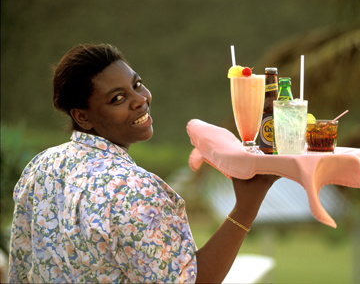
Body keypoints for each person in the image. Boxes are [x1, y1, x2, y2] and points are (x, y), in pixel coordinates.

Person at [8, 43, 279, 283]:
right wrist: (245, 207)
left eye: (136, 85)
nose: (140, 100)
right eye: (118, 98)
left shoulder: (41, 166)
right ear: (83, 117)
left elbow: (20, 269)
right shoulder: (134, 190)